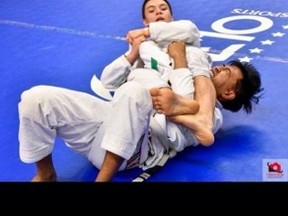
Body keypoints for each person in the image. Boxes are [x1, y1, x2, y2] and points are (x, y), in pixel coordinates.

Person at [18, 0, 263, 182]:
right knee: (36, 97)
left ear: (230, 93)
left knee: (136, 91)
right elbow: (108, 81)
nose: (219, 67)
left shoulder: (210, 106)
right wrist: (134, 54)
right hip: (109, 123)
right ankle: (45, 173)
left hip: (137, 147)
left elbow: (187, 88)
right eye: (151, 10)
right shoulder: (148, 52)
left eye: (227, 72)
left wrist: (179, 61)